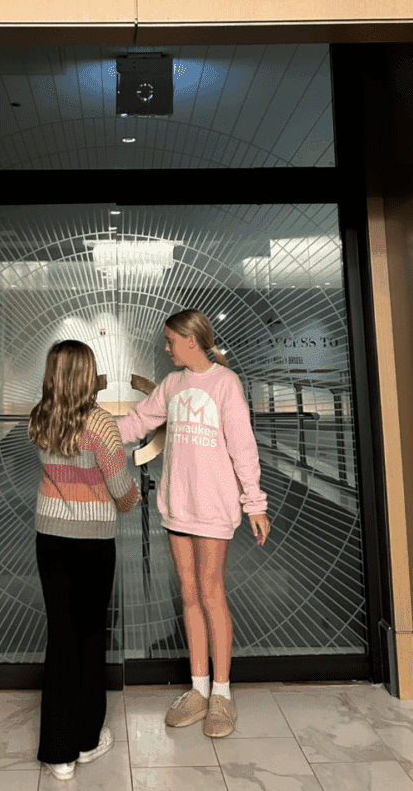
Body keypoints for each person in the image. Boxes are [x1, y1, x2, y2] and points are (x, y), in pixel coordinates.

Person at [117, 309, 271, 739]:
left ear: (191, 339)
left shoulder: (225, 382)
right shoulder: (171, 385)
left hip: (214, 507)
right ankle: (198, 689)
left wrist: (254, 502)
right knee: (187, 594)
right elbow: (136, 423)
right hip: (178, 506)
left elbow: (243, 446)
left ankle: (222, 694)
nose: (166, 349)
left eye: (170, 341)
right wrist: (93, 431)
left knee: (211, 591)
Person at [29, 339, 141, 780]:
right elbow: (120, 488)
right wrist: (132, 499)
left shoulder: (41, 417)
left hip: (50, 538)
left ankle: (58, 754)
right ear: (86, 373)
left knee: (61, 635)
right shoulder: (101, 424)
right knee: (91, 634)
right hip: (91, 541)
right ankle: (87, 740)